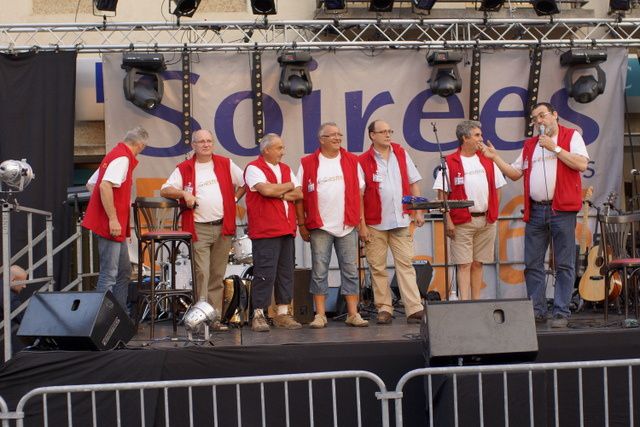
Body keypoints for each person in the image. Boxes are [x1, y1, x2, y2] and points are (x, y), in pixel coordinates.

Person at [483, 102, 589, 328]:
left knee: (564, 264)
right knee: (532, 264)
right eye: (535, 118)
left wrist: (555, 148)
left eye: (542, 116)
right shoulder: (531, 145)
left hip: (562, 210)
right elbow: (514, 174)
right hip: (537, 209)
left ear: (555, 115)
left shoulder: (571, 136)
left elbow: (581, 164)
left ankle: (561, 312)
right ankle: (537, 310)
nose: (539, 121)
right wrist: (495, 158)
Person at [160, 129, 245, 320]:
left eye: (209, 141)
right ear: (193, 145)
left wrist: (234, 199)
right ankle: (200, 317)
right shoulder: (185, 168)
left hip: (223, 227)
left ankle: (213, 318)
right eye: (201, 141)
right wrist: (184, 194)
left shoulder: (225, 163)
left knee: (217, 275)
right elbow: (165, 190)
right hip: (199, 228)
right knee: (202, 273)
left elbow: (245, 182)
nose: (206, 144)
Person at [296, 122, 369, 328]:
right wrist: (301, 224)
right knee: (319, 270)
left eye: (339, 135)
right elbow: (299, 197)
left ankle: (353, 314)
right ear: (322, 139)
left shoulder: (352, 161)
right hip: (320, 226)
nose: (338, 138)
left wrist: (362, 224)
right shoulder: (307, 163)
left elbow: (360, 194)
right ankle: (320, 315)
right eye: (332, 135)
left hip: (347, 225)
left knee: (350, 270)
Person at [358, 120, 425, 325]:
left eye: (390, 131)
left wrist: (418, 210)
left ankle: (414, 308)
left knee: (405, 263)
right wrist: (361, 225)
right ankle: (384, 308)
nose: (388, 135)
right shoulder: (362, 160)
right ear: (372, 135)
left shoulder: (401, 153)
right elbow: (358, 195)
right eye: (383, 132)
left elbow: (414, 183)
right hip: (374, 223)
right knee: (377, 267)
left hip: (402, 219)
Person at [433, 120, 506, 300]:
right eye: (477, 135)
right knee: (464, 264)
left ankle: (476, 302)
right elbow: (442, 195)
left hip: (486, 220)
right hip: (462, 221)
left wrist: (494, 213)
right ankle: (464, 304)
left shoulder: (488, 159)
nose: (481, 139)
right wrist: (448, 220)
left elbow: (498, 188)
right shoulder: (450, 161)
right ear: (465, 138)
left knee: (478, 263)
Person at [82, 126, 148, 311]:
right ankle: (100, 318)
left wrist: (103, 208)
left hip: (112, 223)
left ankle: (119, 314)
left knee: (123, 271)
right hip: (110, 224)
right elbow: (104, 186)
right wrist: (112, 217)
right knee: (109, 274)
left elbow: (91, 184)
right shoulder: (123, 158)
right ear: (140, 145)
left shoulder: (114, 155)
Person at [244, 133, 303, 332]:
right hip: (265, 230)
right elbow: (266, 191)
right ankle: (258, 314)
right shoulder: (254, 168)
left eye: (282, 148)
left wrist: (278, 192)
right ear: (266, 150)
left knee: (285, 272)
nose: (283, 152)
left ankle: (283, 314)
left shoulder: (285, 168)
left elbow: (299, 193)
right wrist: (286, 187)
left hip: (286, 228)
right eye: (279, 148)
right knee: (265, 273)